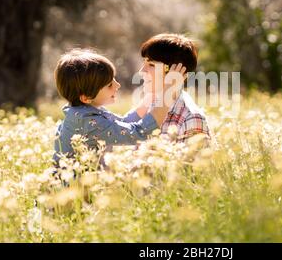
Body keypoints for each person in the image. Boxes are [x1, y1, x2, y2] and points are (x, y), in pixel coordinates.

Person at [53, 48, 185, 166]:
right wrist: (167, 93)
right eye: (110, 85)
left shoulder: (83, 111)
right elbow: (138, 133)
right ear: (86, 97)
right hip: (78, 189)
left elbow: (123, 124)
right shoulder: (88, 122)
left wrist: (151, 97)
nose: (117, 85)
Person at [138, 33, 210, 143]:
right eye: (144, 63)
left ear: (175, 71)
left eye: (151, 65)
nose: (141, 71)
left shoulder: (192, 118)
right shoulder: (150, 105)